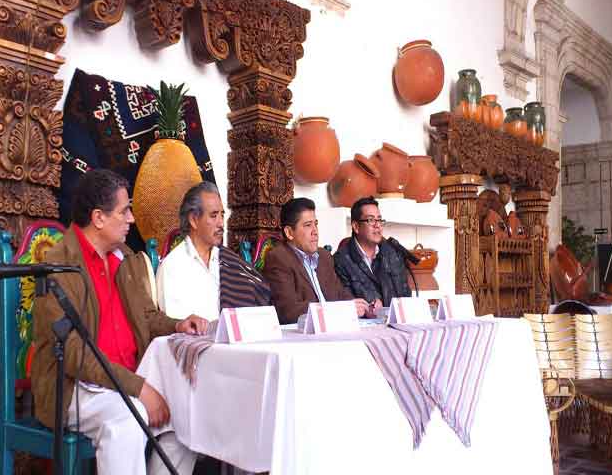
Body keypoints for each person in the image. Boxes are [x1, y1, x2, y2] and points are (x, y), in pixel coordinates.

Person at [32, 169, 210, 475]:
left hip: (132, 374)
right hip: (74, 385)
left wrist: (177, 325)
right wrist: (139, 389)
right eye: (124, 211)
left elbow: (147, 318)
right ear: (99, 218)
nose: (131, 219)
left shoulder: (125, 257)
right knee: (127, 417)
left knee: (191, 412)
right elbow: (74, 354)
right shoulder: (59, 264)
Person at [156, 181, 271, 322]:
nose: (221, 223)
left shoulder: (228, 260)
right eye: (213, 215)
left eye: (222, 215)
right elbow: (178, 326)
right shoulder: (172, 266)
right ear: (194, 220)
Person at [262, 197, 369, 324]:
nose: (315, 231)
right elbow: (287, 311)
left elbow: (340, 294)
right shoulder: (278, 258)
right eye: (308, 225)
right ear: (289, 232)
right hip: (304, 332)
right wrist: (336, 310)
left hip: (333, 326)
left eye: (316, 224)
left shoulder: (324, 256)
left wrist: (357, 305)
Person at [333, 197, 412, 312]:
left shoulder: (393, 254)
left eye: (379, 220)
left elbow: (406, 296)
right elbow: (347, 302)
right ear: (356, 226)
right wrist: (370, 307)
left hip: (395, 320)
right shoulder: (341, 261)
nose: (377, 225)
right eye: (371, 220)